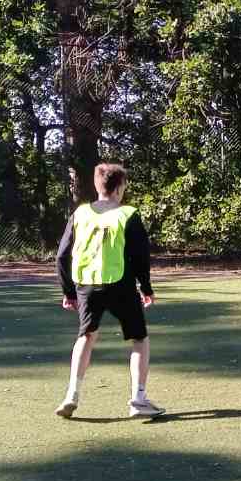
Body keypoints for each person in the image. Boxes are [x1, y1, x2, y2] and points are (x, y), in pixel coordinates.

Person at [54, 163, 162, 419]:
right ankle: (138, 399)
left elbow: (61, 256)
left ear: (97, 185)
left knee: (86, 336)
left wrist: (68, 291)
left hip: (87, 284)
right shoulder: (128, 214)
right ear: (119, 187)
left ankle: (71, 394)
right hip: (120, 283)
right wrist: (146, 288)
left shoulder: (80, 214)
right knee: (139, 339)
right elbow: (140, 256)